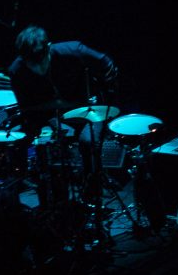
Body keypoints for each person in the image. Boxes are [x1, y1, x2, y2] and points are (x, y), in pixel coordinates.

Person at [7, 25, 119, 196]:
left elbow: (107, 64)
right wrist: (57, 108)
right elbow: (27, 108)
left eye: (41, 61)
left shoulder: (74, 50)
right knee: (16, 138)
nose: (38, 68)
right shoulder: (16, 70)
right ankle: (22, 185)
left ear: (49, 47)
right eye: (31, 64)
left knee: (88, 141)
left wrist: (105, 95)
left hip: (85, 108)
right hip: (46, 112)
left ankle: (92, 186)